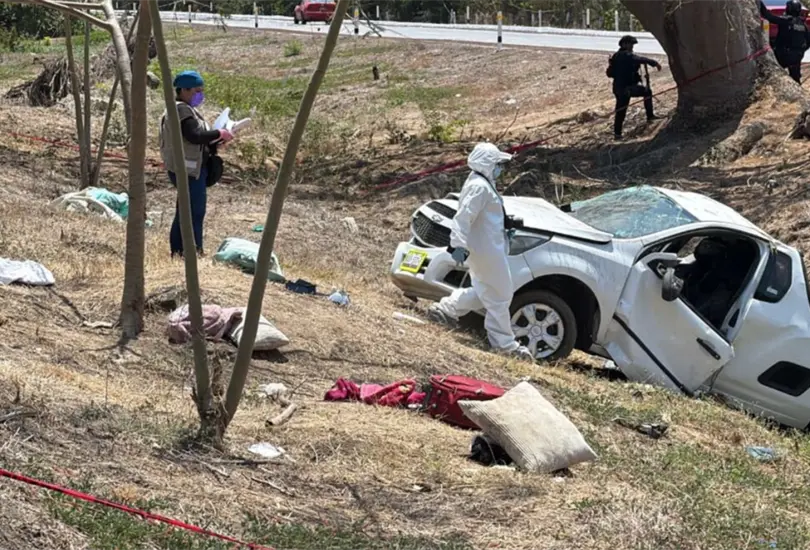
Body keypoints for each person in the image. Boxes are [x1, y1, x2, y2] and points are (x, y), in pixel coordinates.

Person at [427, 143, 534, 362]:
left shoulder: (484, 184)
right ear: (487, 163)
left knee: (483, 291)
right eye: (498, 164)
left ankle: (446, 309)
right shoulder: (479, 186)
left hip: (489, 249)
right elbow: (463, 217)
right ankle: (505, 344)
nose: (500, 169)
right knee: (500, 295)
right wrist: (457, 245)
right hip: (486, 251)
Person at [159, 70, 234, 257]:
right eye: (196, 91)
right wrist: (218, 134)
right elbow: (194, 136)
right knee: (193, 212)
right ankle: (191, 252)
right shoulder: (181, 109)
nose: (200, 95)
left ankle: (181, 252)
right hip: (188, 170)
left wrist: (215, 141)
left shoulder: (184, 109)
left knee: (186, 210)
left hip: (190, 168)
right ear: (183, 90)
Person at [607, 35, 662, 141]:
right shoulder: (625, 55)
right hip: (625, 89)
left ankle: (617, 134)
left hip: (619, 88)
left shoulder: (617, 56)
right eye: (630, 44)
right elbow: (639, 59)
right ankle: (650, 116)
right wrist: (654, 63)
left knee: (621, 110)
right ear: (624, 44)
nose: (632, 46)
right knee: (646, 92)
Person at [760, 0, 810, 83]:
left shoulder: (786, 20)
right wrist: (801, 51)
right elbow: (808, 41)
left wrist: (759, 3)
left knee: (773, 72)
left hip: (783, 55)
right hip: (797, 56)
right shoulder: (802, 24)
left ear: (789, 9)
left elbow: (768, 16)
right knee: (796, 78)